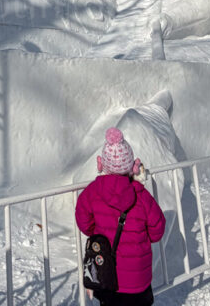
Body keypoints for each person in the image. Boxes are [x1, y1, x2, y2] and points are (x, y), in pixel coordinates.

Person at [75, 128, 166, 305]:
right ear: (131, 166)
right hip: (138, 281)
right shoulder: (142, 195)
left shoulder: (92, 193)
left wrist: (99, 231)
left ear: (102, 164)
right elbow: (157, 230)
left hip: (107, 277)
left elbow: (84, 222)